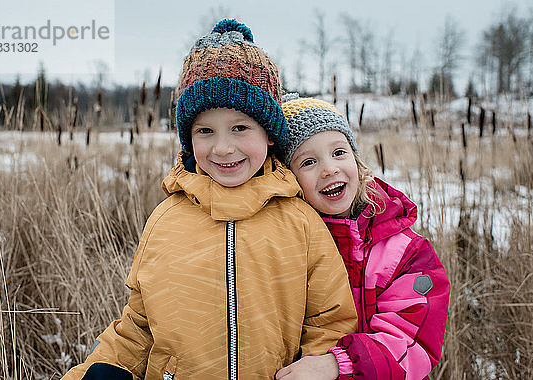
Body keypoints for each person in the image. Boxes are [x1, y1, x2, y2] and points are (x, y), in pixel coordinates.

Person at [62, 21, 358, 380]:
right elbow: (138, 326)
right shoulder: (166, 220)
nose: (222, 148)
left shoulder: (301, 221)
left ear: (269, 135)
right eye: (205, 131)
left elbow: (330, 322)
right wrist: (101, 369)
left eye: (240, 128)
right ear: (189, 140)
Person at [275, 95, 450, 380]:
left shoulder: (405, 252)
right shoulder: (284, 246)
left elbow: (413, 339)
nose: (329, 168)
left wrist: (340, 365)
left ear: (356, 160)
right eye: (308, 161)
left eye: (339, 152)